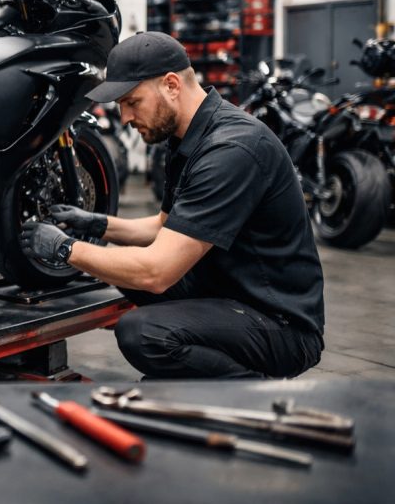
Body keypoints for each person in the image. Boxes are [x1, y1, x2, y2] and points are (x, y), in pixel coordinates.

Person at [21, 32, 325, 379]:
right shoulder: (186, 137)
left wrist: (65, 250)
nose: (124, 118)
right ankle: (202, 370)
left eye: (132, 101)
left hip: (279, 322)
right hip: (228, 290)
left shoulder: (232, 150)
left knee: (142, 331)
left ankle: (254, 394)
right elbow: (164, 225)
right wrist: (94, 223)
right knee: (122, 265)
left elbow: (156, 271)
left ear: (171, 85)